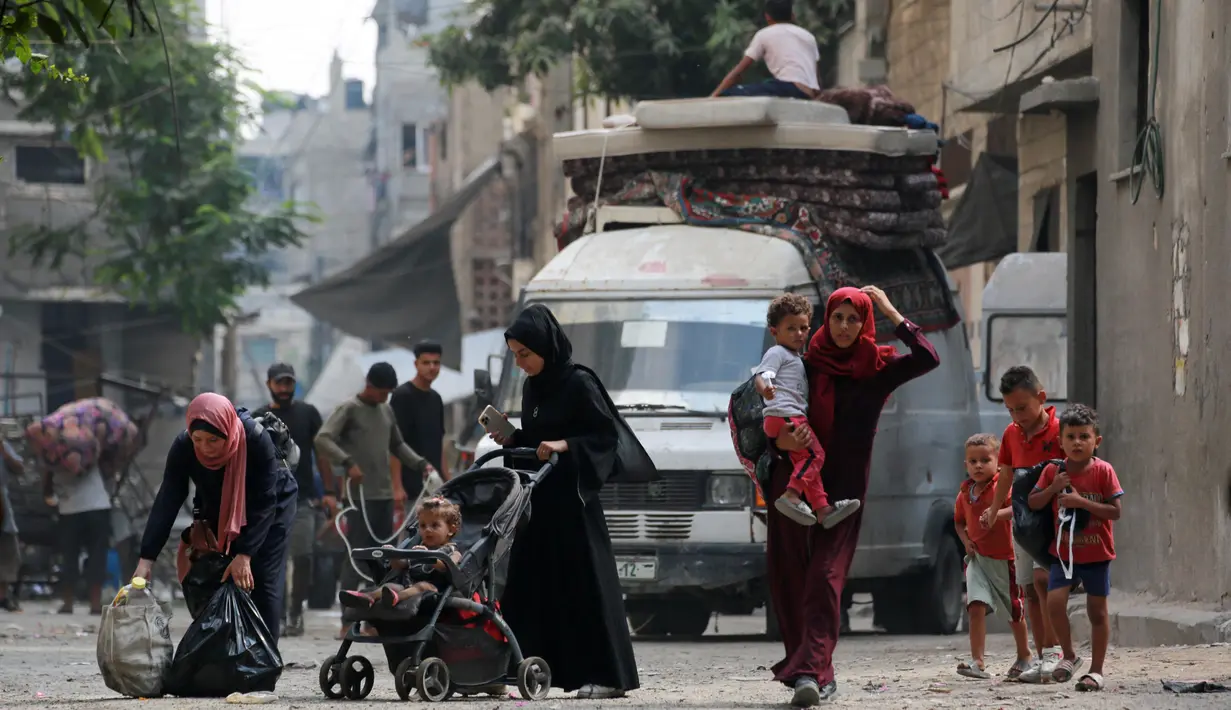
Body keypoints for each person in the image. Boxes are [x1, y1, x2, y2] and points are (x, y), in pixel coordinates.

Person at [768, 285, 939, 706]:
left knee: (826, 577)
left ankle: (811, 670)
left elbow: (928, 357)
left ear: (865, 323)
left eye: (854, 318)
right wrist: (782, 444)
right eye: (838, 318)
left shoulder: (876, 367)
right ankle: (806, 669)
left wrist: (889, 309)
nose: (844, 327)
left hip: (843, 492)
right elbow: (772, 411)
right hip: (793, 480)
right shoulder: (806, 364)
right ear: (827, 320)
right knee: (791, 577)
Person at [491, 304, 639, 700]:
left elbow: (605, 437)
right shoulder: (532, 386)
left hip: (574, 507)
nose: (520, 363)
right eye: (515, 355)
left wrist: (566, 445)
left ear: (545, 346)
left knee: (584, 586)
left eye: (525, 354)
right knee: (529, 586)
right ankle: (524, 671)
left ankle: (608, 677)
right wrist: (514, 439)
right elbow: (537, 437)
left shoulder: (579, 382)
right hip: (539, 503)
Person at [135, 393, 299, 642]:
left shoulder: (255, 440)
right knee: (215, 571)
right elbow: (167, 500)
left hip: (271, 503)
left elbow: (265, 503)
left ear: (228, 431)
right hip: (221, 505)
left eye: (213, 440)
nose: (205, 448)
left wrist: (244, 554)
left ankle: (264, 663)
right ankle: (225, 653)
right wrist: (146, 559)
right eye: (198, 439)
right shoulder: (184, 447)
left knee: (262, 578)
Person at [314, 362, 433, 633]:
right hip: (359, 499)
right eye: (382, 392)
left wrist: (420, 464)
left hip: (384, 495)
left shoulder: (386, 409)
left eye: (389, 393)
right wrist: (347, 462)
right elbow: (323, 439)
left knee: (384, 559)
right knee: (356, 557)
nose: (385, 397)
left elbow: (397, 445)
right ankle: (347, 621)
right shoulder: (349, 409)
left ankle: (375, 620)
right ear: (369, 385)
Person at [1028, 404, 1122, 692]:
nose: (1077, 442)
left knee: (1097, 612)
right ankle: (1069, 656)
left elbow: (1115, 512)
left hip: (1096, 554)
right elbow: (1033, 502)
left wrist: (1083, 503)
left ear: (1097, 441)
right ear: (1061, 441)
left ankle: (1096, 670)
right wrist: (1052, 488)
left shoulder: (1104, 471)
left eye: (1084, 436)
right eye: (1071, 437)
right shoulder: (1054, 471)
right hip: (1064, 554)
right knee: (1055, 604)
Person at [982, 366, 1062, 682]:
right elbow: (1005, 474)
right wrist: (993, 508)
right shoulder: (1011, 434)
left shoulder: (1060, 431)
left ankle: (1057, 652)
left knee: (1046, 583)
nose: (1017, 415)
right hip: (1022, 522)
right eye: (1011, 409)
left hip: (1051, 522)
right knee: (1028, 588)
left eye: (1023, 407)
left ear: (1041, 397)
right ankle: (1041, 655)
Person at [754, 293, 860, 528]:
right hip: (785, 415)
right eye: (791, 328)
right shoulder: (777, 353)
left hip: (783, 417)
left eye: (803, 328)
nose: (799, 334)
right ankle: (791, 494)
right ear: (774, 331)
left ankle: (822, 509)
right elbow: (762, 376)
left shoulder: (797, 357)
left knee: (806, 461)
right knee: (815, 456)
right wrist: (766, 390)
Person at [252, 362, 325, 638]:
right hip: (271, 500)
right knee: (275, 559)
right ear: (269, 384)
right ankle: (278, 614)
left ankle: (296, 610)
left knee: (304, 556)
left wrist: (328, 492)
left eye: (289, 383)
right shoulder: (258, 418)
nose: (284, 388)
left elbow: (322, 454)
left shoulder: (308, 414)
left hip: (304, 497)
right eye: (279, 383)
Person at [954, 433, 1032, 681]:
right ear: (965, 464)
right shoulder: (966, 492)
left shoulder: (1002, 486)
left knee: (1014, 611)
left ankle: (1025, 655)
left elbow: (1017, 510)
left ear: (998, 462)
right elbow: (958, 522)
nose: (978, 466)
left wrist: (997, 513)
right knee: (974, 606)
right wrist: (966, 541)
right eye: (972, 461)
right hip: (978, 560)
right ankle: (977, 661)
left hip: (1004, 559)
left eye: (984, 460)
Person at [339, 496, 462, 612]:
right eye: (423, 526)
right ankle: (367, 597)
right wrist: (393, 555)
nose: (428, 530)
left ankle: (395, 598)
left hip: (435, 590)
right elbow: (402, 566)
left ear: (451, 530)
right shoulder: (418, 548)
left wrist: (428, 556)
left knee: (421, 586)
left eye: (435, 525)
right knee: (390, 586)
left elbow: (448, 567)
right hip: (408, 586)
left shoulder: (452, 551)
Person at [710, 0, 820, 99]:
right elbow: (815, 76)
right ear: (792, 16)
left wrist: (715, 95)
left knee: (729, 94)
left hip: (789, 88)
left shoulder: (765, 34)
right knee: (769, 84)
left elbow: (738, 72)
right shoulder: (809, 37)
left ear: (767, 16)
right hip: (809, 93)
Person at [390, 341, 451, 503]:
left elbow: (439, 442)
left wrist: (448, 481)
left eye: (436, 363)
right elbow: (394, 444)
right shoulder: (402, 396)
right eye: (426, 362)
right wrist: (397, 486)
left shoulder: (436, 399)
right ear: (416, 364)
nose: (432, 367)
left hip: (434, 485)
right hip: (409, 488)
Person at [0, 441, 23, 612]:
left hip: (2, 505)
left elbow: (19, 468)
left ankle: (2, 595)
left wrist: (3, 450)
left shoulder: (3, 446)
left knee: (8, 551)